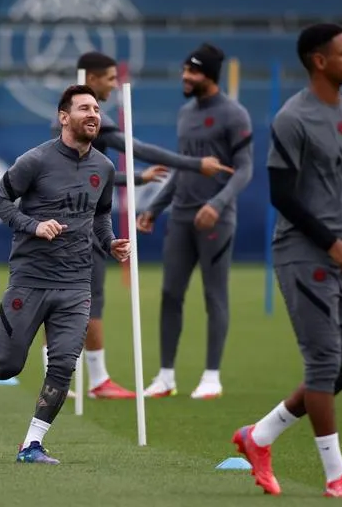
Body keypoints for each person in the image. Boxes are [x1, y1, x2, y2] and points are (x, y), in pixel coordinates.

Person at [231, 23, 342, 498]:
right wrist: (331, 243)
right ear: (319, 61)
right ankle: (336, 475)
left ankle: (257, 436)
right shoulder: (292, 119)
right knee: (325, 363)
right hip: (304, 255)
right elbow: (281, 194)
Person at [0, 84, 131, 464]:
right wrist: (33, 225)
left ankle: (31, 444)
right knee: (7, 364)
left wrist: (110, 242)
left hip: (76, 282)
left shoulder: (105, 167)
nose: (93, 114)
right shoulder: (35, 160)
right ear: (64, 117)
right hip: (30, 279)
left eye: (96, 108)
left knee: (63, 364)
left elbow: (100, 216)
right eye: (84, 108)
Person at [41, 51, 232, 401]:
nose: (115, 85)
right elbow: (136, 147)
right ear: (93, 79)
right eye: (111, 78)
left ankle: (54, 374)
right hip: (81, 224)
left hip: (57, 220)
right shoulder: (92, 119)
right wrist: (194, 164)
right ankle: (94, 380)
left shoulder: (64, 120)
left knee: (56, 294)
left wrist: (137, 179)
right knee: (88, 296)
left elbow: (89, 176)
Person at [136, 43, 253, 400]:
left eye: (194, 71)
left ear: (210, 76)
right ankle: (166, 376)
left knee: (214, 295)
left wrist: (217, 204)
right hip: (182, 218)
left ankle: (211, 376)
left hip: (215, 220)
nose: (186, 76)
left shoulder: (234, 114)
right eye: (185, 70)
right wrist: (155, 208)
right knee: (170, 293)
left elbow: (245, 169)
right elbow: (183, 169)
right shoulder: (185, 113)